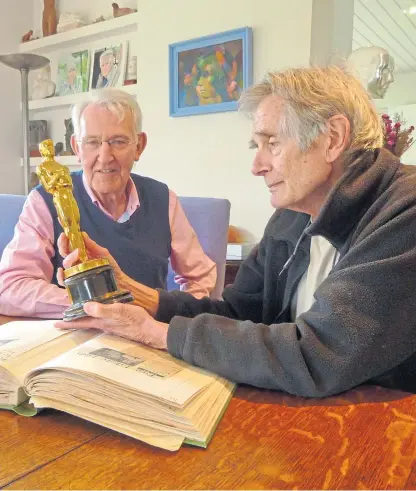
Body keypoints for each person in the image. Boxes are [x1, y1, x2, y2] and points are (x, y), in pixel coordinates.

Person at [57, 66, 416, 398]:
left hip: (381, 430)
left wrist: (156, 333)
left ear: (333, 138)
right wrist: (135, 294)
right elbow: (239, 312)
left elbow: (320, 353)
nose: (257, 166)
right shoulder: (292, 216)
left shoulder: (405, 212)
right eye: (256, 147)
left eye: (271, 143)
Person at [0, 88, 216, 318]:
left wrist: (179, 322)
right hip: (76, 338)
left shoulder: (164, 199)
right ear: (76, 148)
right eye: (92, 142)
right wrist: (96, 306)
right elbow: (11, 286)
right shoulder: (46, 200)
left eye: (118, 141)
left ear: (139, 146)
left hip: (148, 336)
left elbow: (200, 277)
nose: (104, 156)